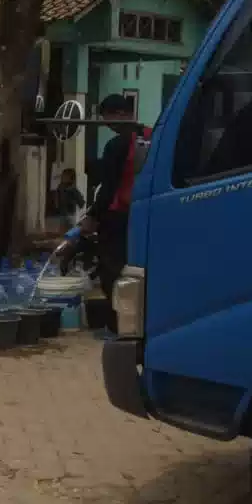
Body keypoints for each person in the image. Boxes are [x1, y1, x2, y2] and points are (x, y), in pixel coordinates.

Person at [79, 95, 148, 333]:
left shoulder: (117, 145)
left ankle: (118, 325)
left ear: (119, 115)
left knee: (113, 271)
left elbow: (109, 187)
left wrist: (92, 216)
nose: (106, 124)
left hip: (119, 217)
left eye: (107, 118)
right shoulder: (151, 137)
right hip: (146, 215)